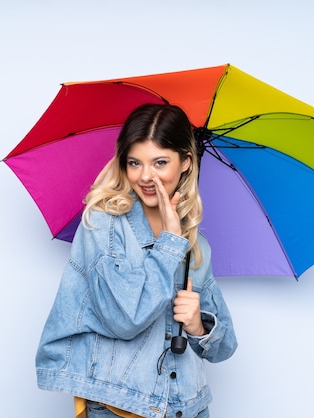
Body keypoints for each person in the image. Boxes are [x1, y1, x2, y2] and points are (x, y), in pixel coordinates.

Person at [35, 103, 238, 418]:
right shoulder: (103, 224)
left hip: (188, 407)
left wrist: (199, 326)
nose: (146, 176)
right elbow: (125, 319)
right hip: (119, 407)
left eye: (160, 162)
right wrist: (169, 242)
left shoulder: (196, 245)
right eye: (134, 163)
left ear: (186, 161)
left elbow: (225, 348)